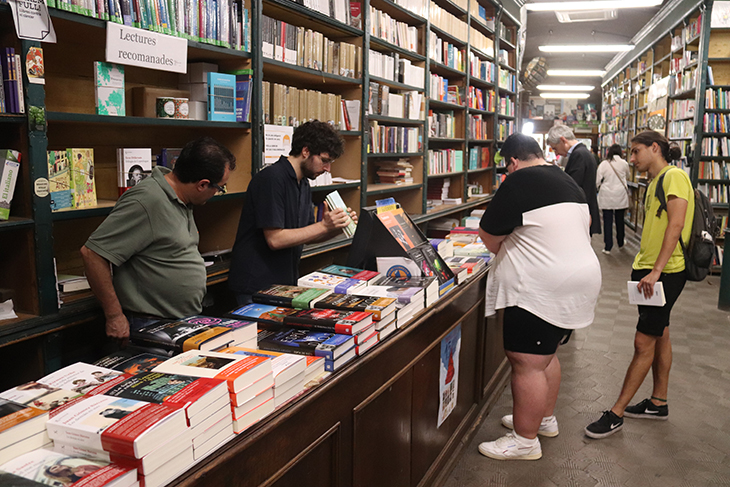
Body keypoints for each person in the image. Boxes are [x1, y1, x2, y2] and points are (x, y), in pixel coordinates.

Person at [477, 134, 601, 460]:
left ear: (513, 162)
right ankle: (543, 420)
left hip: (541, 286)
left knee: (526, 363)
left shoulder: (519, 181)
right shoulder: (566, 179)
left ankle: (524, 440)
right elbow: (583, 223)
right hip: (578, 278)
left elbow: (489, 237)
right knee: (546, 355)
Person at [585, 131, 693, 439]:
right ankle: (658, 402)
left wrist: (657, 269)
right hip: (653, 270)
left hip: (665, 272)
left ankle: (616, 412)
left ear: (654, 148)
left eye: (636, 152)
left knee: (643, 342)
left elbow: (676, 223)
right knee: (661, 333)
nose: (632, 159)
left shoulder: (673, 177)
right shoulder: (656, 181)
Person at [81, 137, 236, 339]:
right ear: (202, 184)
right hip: (150, 323)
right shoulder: (146, 200)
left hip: (181, 320)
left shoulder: (181, 199)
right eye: (219, 187)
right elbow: (92, 253)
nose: (218, 193)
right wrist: (114, 316)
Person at [229, 120, 357, 305]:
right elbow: (276, 239)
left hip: (283, 283)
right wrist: (323, 225)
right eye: (324, 160)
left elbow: (304, 234)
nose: (328, 168)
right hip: (256, 286)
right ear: (306, 151)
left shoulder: (303, 182)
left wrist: (336, 227)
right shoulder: (271, 179)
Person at [547, 124, 601, 235]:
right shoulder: (583, 152)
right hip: (584, 210)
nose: (556, 153)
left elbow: (573, 186)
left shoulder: (579, 155)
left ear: (563, 140)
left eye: (555, 148)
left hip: (580, 212)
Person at [596, 144, 631, 254]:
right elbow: (628, 176)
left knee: (607, 220)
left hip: (606, 194)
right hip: (620, 194)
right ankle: (620, 242)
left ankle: (608, 246)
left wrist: (598, 187)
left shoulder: (604, 164)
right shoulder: (624, 163)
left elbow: (597, 180)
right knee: (620, 220)